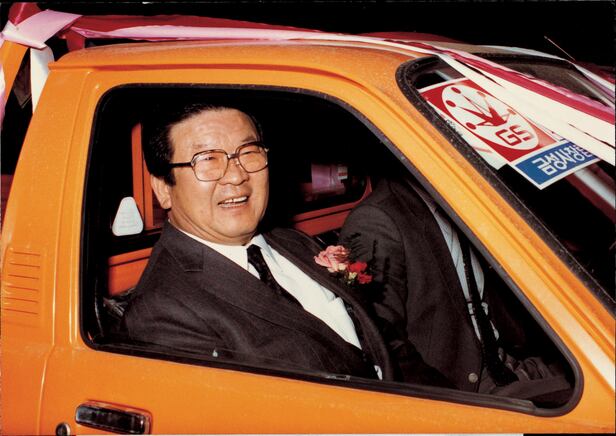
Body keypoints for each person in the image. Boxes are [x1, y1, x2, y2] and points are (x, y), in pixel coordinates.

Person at [120, 103, 447, 384]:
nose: (236, 176)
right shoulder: (161, 315)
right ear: (163, 188)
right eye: (207, 159)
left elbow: (382, 341)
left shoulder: (291, 242)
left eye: (248, 153)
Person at [339, 174, 572, 403]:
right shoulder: (377, 220)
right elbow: (381, 339)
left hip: (508, 360)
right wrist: (451, 403)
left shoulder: (455, 203)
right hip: (463, 388)